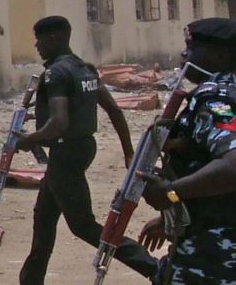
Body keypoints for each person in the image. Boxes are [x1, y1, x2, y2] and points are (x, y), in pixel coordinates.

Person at [138, 18, 236, 284]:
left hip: (217, 258)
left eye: (192, 48)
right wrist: (172, 220)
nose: (184, 54)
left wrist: (170, 193)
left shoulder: (212, 100)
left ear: (220, 55)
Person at [15, 16, 158, 284]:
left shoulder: (56, 73)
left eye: (40, 39)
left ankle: (152, 267)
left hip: (65, 152)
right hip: (81, 149)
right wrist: (128, 152)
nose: (37, 45)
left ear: (55, 38)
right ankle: (30, 279)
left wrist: (29, 139)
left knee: (83, 226)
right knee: (44, 219)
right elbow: (114, 110)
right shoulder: (84, 69)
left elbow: (59, 122)